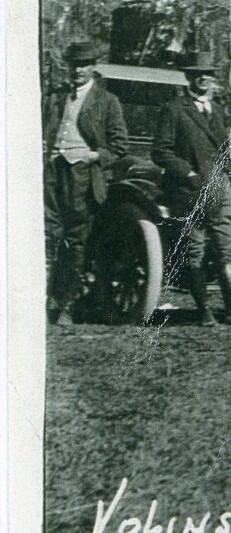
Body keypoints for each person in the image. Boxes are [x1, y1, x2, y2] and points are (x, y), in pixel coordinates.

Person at [152, 53, 231, 325]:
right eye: (198, 74)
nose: (204, 78)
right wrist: (188, 174)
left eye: (208, 73)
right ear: (189, 77)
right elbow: (160, 151)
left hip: (219, 189)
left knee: (227, 246)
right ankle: (204, 311)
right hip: (189, 191)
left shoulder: (218, 110)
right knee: (194, 249)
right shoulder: (174, 109)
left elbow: (223, 148)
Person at [43, 39, 129, 324]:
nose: (77, 70)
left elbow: (119, 146)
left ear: (93, 67)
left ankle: (66, 303)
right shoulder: (55, 98)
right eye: (73, 65)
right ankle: (44, 298)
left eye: (83, 65)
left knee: (75, 238)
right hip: (52, 172)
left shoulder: (107, 101)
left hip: (82, 176)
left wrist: (94, 155)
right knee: (50, 234)